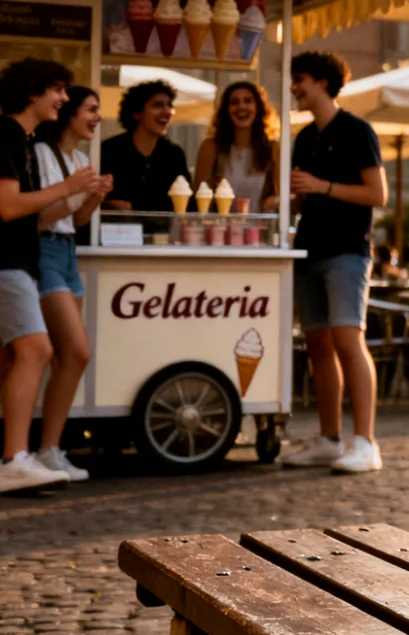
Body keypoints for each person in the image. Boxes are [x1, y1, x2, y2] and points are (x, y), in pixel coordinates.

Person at [0, 59, 103, 494]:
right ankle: (16, 457)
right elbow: (9, 207)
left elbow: (64, 217)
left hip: (30, 259)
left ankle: (22, 454)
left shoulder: (20, 139)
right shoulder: (10, 135)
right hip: (16, 259)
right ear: (32, 93)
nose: (64, 98)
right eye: (58, 89)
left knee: (21, 355)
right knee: (39, 349)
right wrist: (69, 188)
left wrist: (89, 196)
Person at [284, 51, 388, 474]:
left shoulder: (357, 131)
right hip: (309, 248)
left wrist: (322, 186)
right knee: (318, 347)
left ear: (323, 83)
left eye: (300, 80)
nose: (294, 87)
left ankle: (365, 442)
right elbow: (305, 193)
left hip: (347, 251)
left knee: (348, 341)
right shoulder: (305, 137)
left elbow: (377, 195)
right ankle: (329, 439)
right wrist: (290, 198)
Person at [31, 86, 112, 482]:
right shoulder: (43, 154)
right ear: (70, 115)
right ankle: (43, 449)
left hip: (66, 253)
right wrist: (78, 193)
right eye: (91, 110)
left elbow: (76, 223)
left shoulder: (80, 159)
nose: (97, 118)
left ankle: (49, 449)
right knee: (75, 352)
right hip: (44, 251)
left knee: (68, 356)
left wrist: (94, 197)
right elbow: (39, 218)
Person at [100, 80, 190, 213]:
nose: (167, 111)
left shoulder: (174, 154)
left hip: (163, 232)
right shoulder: (110, 150)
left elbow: (185, 202)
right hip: (117, 230)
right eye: (158, 105)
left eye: (169, 105)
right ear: (136, 113)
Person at [193, 81, 280, 212]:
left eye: (247, 101)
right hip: (220, 229)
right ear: (226, 110)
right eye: (234, 102)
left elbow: (282, 195)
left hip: (259, 229)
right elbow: (200, 198)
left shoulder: (272, 148)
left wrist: (274, 201)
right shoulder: (210, 147)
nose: (241, 107)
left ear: (258, 107)